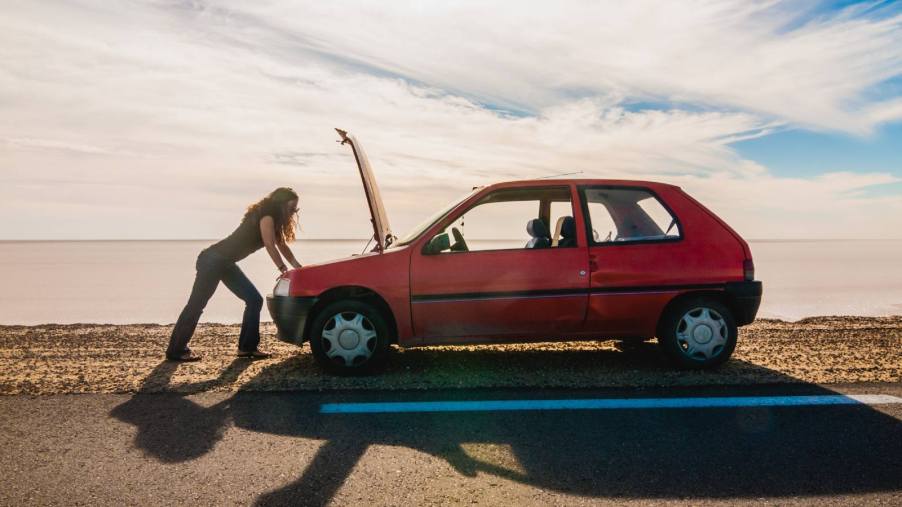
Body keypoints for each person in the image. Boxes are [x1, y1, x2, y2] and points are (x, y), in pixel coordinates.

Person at [165, 187, 303, 361]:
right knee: (196, 304)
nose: (293, 212)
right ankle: (176, 350)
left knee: (254, 300)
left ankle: (247, 348)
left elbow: (282, 245)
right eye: (291, 208)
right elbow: (269, 244)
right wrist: (283, 268)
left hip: (225, 263)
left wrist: (298, 267)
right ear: (281, 204)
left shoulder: (273, 220)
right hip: (212, 260)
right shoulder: (267, 215)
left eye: (295, 209)